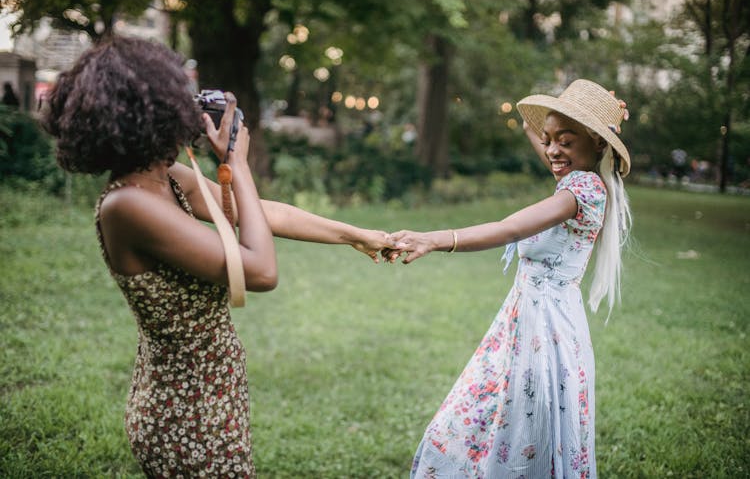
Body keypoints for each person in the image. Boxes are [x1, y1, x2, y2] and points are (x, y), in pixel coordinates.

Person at [43, 36, 392, 477]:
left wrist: (354, 235)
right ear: (147, 114)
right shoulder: (129, 205)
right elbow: (260, 271)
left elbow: (260, 214)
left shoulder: (165, 178)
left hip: (211, 394)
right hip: (184, 415)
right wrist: (237, 164)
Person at [388, 79, 632, 478]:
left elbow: (507, 228)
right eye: (548, 139)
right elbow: (544, 142)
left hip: (546, 330)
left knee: (519, 424)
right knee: (503, 416)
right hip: (527, 319)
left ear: (599, 145)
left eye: (566, 142)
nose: (553, 150)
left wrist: (434, 239)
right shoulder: (574, 179)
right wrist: (547, 123)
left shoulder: (581, 191)